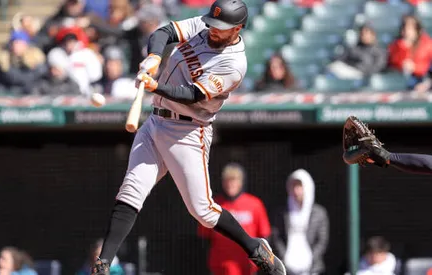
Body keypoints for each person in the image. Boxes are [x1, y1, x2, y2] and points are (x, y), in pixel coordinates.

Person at [92, 0, 286, 274]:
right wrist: (155, 57)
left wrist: (156, 85)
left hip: (188, 130)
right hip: (156, 120)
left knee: (203, 211)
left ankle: (255, 248)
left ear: (237, 29)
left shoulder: (234, 64)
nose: (213, 30)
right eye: (213, 24)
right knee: (131, 191)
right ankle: (102, 264)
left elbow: (192, 94)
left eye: (221, 28)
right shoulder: (204, 26)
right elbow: (163, 33)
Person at [198, 163, 272, 275]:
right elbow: (204, 236)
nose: (230, 184)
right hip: (220, 267)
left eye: (234, 180)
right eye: (227, 180)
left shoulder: (254, 204)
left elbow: (264, 236)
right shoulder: (214, 205)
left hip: (247, 268)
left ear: (241, 182)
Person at [270, 169, 329, 275]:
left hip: (312, 268)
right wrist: (284, 258)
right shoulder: (283, 213)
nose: (296, 191)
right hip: (286, 268)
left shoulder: (319, 213)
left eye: (299, 186)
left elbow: (322, 240)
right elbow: (276, 236)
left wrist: (311, 258)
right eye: (293, 186)